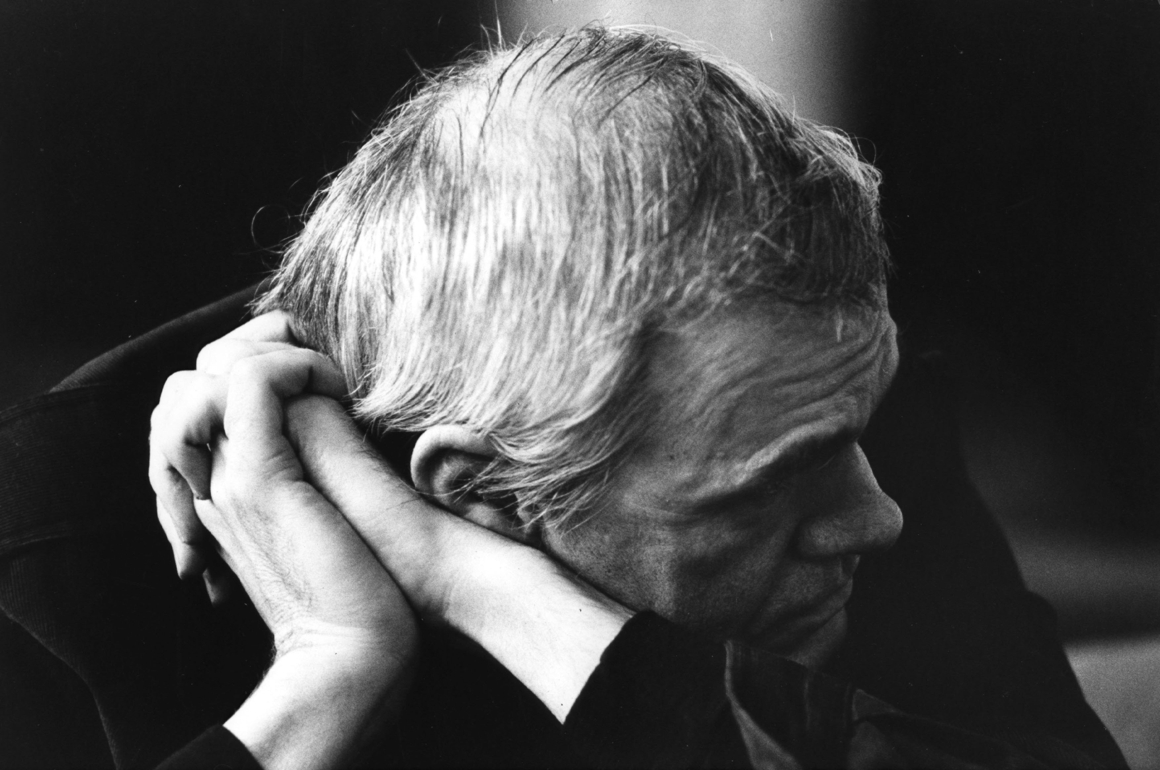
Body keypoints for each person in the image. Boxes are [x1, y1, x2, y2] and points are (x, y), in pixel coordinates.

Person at [0, 27, 1125, 769]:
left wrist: (483, 587)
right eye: (759, 494)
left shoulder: (808, 411)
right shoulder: (51, 571)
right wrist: (329, 671)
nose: (876, 517)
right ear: (481, 488)